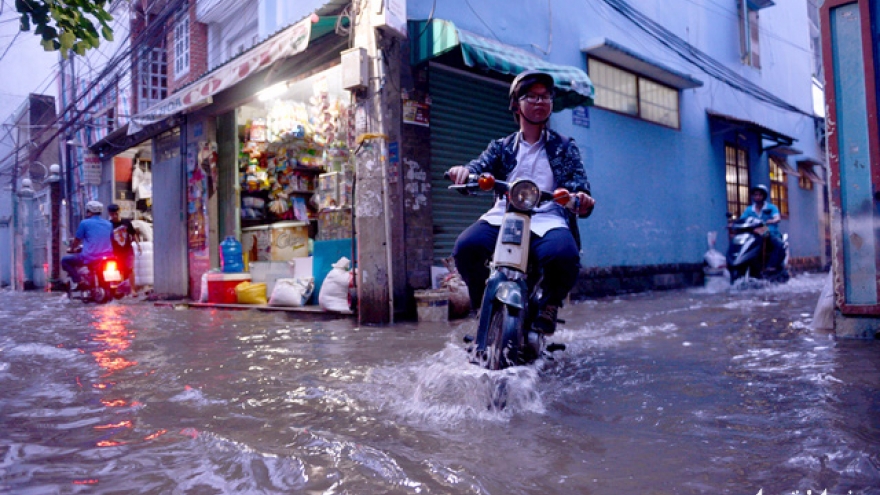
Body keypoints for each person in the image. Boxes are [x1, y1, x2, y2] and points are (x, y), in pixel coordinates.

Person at [446, 70, 595, 335]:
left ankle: (549, 305)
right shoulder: (501, 147)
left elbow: (579, 185)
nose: (540, 102)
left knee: (566, 255)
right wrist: (464, 172)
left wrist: (579, 198)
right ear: (516, 103)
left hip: (547, 217)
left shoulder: (564, 146)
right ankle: (482, 303)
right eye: (532, 96)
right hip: (504, 214)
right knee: (465, 248)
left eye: (545, 96)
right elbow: (477, 167)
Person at [61, 200, 114, 290]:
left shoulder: (84, 223)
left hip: (90, 256)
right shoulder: (109, 224)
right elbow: (112, 239)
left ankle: (79, 281)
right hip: (108, 256)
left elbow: (77, 240)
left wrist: (72, 249)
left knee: (65, 261)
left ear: (89, 212)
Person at [739, 184, 785, 272]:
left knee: (778, 244)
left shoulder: (771, 208)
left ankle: (771, 265)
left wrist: (772, 220)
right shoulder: (749, 209)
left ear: (764, 196)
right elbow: (742, 219)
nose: (757, 197)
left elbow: (777, 217)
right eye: (755, 195)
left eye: (760, 195)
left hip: (770, 232)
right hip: (754, 233)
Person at [108, 203, 143, 296]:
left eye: (116, 213)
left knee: (130, 268)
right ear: (109, 214)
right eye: (112, 214)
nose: (115, 216)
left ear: (119, 212)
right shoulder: (109, 225)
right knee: (118, 270)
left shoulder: (126, 222)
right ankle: (119, 289)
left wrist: (138, 244)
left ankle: (133, 290)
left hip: (128, 249)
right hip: (115, 251)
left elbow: (133, 233)